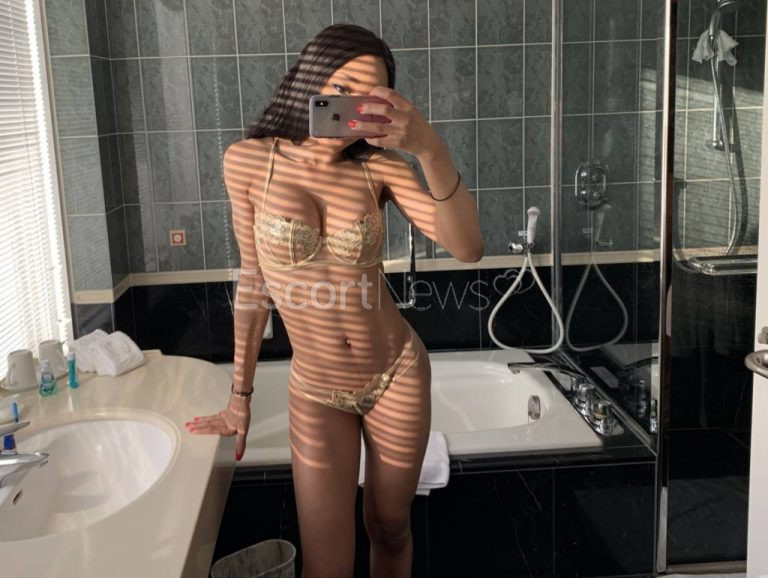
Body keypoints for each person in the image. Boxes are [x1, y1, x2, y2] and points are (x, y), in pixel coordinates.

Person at [185, 23, 483, 578]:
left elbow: (468, 248)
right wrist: (239, 397)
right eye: (342, 89)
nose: (352, 108)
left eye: (370, 98)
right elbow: (253, 281)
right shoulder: (248, 161)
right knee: (326, 563)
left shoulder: (381, 168)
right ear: (310, 80)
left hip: (394, 373)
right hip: (317, 388)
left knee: (389, 527)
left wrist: (429, 146)